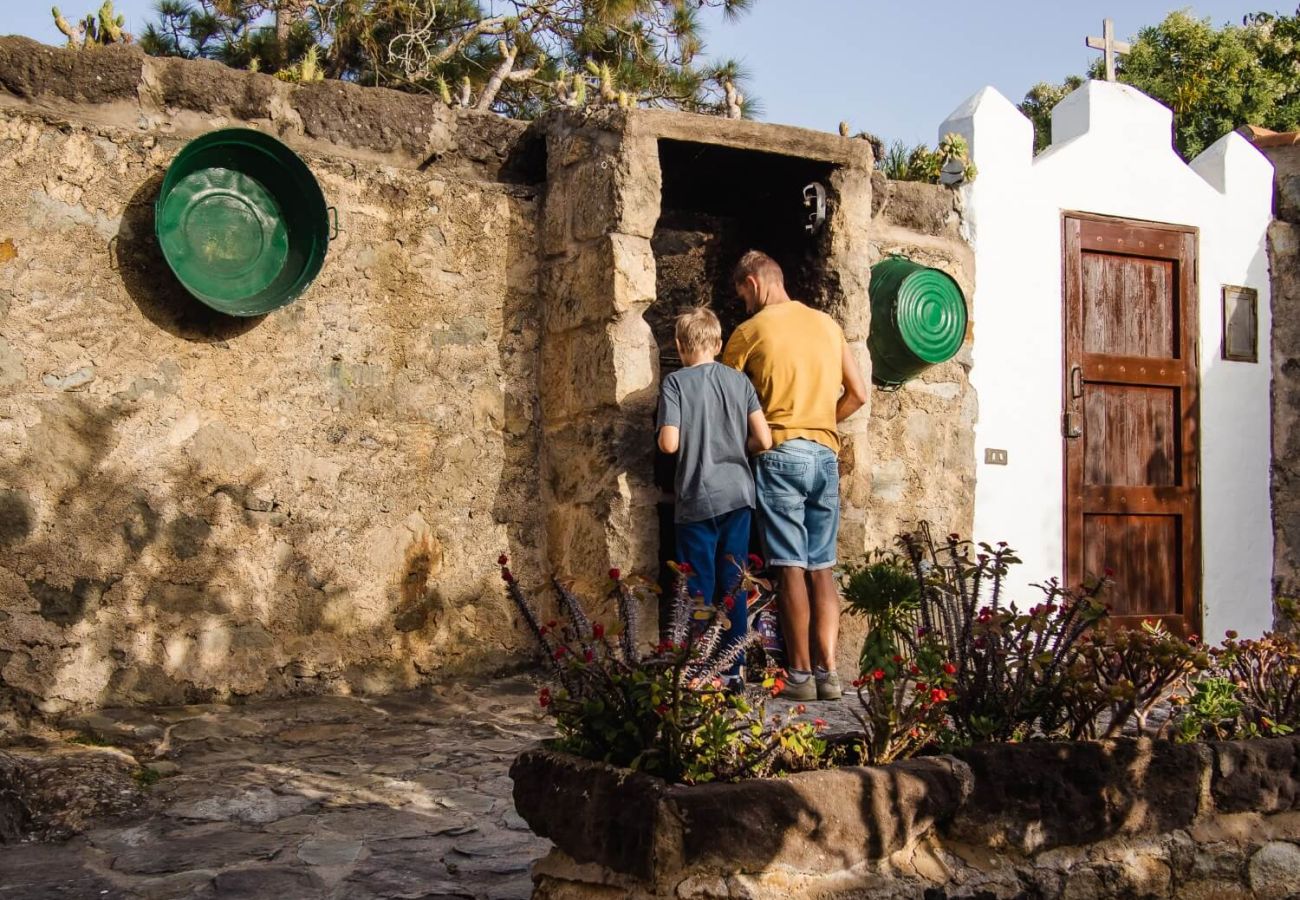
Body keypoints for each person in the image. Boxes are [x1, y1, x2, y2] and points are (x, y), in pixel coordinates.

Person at [723, 250, 868, 702]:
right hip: (825, 453)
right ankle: (830, 674)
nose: (742, 303)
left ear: (753, 282)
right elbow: (859, 393)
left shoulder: (749, 331)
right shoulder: (827, 324)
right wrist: (823, 421)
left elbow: (725, 402)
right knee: (822, 568)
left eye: (741, 294)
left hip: (780, 451)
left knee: (789, 569)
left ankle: (800, 675)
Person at [657, 307, 773, 688]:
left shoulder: (675, 383)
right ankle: (734, 669)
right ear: (719, 344)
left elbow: (669, 443)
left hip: (696, 497)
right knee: (734, 581)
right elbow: (765, 439)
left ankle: (700, 668)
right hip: (738, 495)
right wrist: (736, 447)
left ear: (678, 345)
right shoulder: (738, 382)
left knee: (698, 586)